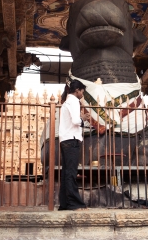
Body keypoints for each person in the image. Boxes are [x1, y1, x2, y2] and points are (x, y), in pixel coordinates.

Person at [58, 80, 91, 211]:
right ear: (77, 90)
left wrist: (80, 117)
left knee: (66, 173)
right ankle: (74, 204)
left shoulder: (67, 102)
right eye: (82, 91)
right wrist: (83, 118)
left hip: (65, 139)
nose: (82, 94)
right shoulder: (74, 101)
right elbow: (76, 121)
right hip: (72, 139)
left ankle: (65, 204)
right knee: (71, 173)